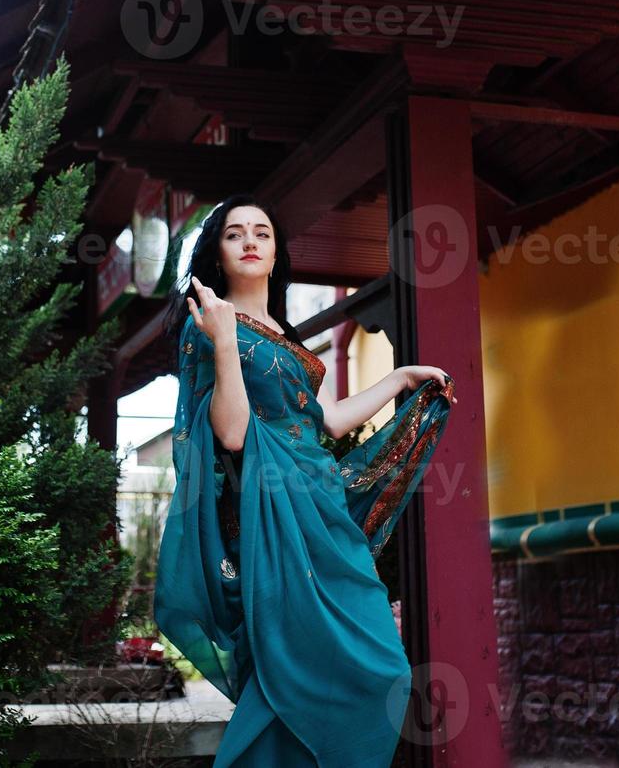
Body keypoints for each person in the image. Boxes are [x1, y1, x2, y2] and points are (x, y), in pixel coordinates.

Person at [152, 194, 458, 766]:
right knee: (283, 670)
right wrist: (222, 340)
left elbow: (330, 420)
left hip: (323, 512)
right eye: (234, 233)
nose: (249, 241)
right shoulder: (209, 328)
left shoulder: (282, 333)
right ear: (217, 253)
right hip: (266, 521)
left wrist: (400, 377)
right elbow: (234, 433)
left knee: (383, 666)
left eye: (262, 234)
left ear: (275, 254)